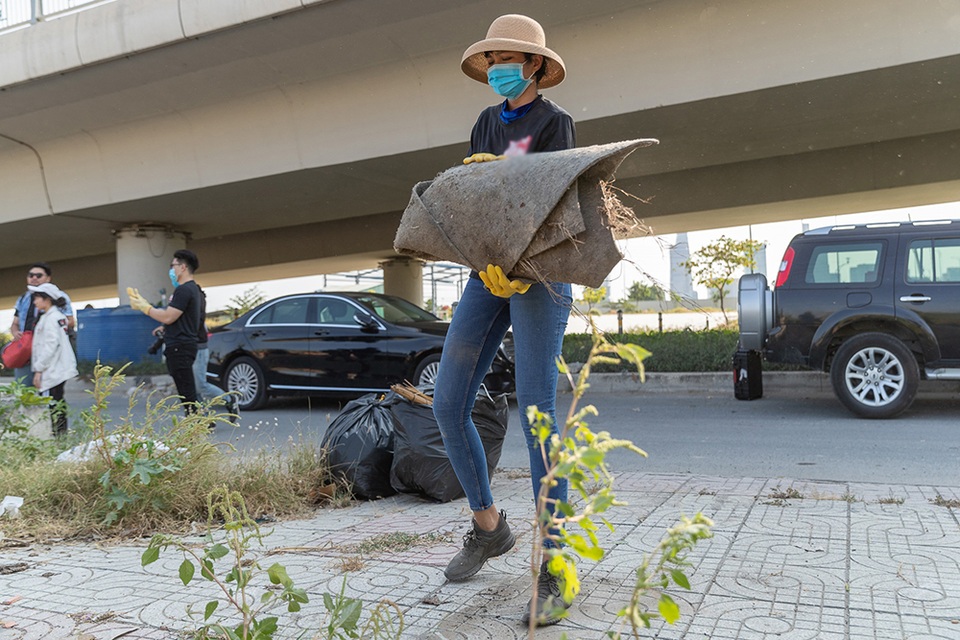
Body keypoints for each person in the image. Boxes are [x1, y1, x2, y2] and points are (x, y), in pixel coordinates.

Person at [433, 14, 576, 627]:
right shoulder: (487, 121)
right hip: (489, 270)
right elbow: (478, 197)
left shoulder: (556, 123)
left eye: (509, 59)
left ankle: (558, 565)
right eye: (491, 60)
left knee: (537, 411)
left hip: (540, 272)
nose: (498, 69)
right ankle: (489, 527)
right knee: (447, 400)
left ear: (537, 66)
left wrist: (521, 252)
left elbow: (556, 203)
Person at [127, 250, 203, 414]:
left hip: (180, 347)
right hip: (184, 346)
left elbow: (168, 316)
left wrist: (145, 308)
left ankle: (198, 425)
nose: (171, 270)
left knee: (186, 392)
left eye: (173, 266)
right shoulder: (192, 289)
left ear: (183, 267)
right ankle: (200, 424)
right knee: (186, 391)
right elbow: (178, 319)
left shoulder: (184, 290)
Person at [10, 263, 75, 386]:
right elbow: (15, 323)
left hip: (47, 350)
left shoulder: (58, 299)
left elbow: (70, 321)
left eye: (39, 275)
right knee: (23, 389)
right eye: (31, 275)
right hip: (26, 348)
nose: (34, 278)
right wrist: (15, 332)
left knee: (49, 392)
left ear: (48, 278)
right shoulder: (23, 298)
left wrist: (51, 328)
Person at [28, 282, 79, 437]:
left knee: (54, 403)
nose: (35, 301)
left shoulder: (52, 318)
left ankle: (58, 436)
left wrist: (39, 369)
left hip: (53, 367)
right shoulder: (54, 316)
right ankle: (60, 435)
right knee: (58, 401)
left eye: (37, 298)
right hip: (57, 366)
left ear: (47, 299)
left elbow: (50, 346)